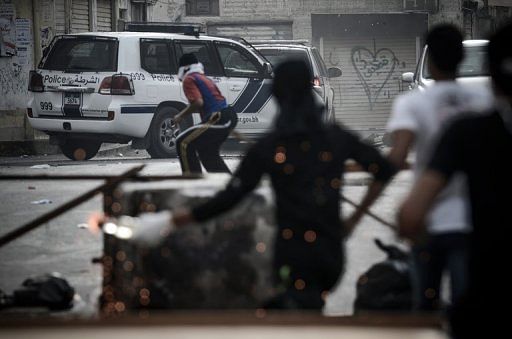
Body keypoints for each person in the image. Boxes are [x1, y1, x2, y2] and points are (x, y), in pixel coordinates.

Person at [172, 60, 396, 310]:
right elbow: (384, 170)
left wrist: (182, 218)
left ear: (277, 95)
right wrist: (354, 219)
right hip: (330, 254)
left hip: (291, 253)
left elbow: (232, 196)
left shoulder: (269, 146)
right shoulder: (335, 137)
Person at [398, 22, 512, 338]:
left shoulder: (470, 128)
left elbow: (411, 210)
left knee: (430, 310)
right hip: (463, 231)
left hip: (455, 234)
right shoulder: (479, 106)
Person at [386, 24, 492, 311]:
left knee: (424, 308)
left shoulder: (412, 102)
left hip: (428, 220)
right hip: (475, 222)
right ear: (460, 57)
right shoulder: (485, 101)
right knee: (470, 308)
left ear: (429, 59)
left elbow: (395, 159)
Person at [173, 53, 237, 174]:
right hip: (225, 116)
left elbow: (198, 102)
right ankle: (226, 183)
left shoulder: (189, 79)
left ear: (184, 68)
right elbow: (206, 102)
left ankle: (192, 182)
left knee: (183, 142)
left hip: (218, 117)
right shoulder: (202, 77)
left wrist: (180, 116)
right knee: (207, 153)